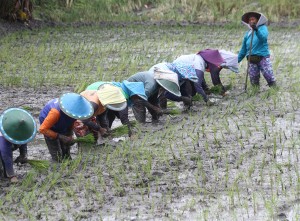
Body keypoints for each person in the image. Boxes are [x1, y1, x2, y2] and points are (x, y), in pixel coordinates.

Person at [39, 93, 94, 162]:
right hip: (49, 126)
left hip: (62, 123)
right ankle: (56, 162)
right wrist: (60, 136)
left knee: (66, 148)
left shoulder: (75, 113)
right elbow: (42, 129)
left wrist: (69, 134)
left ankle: (66, 158)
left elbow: (71, 122)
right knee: (57, 155)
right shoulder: (55, 112)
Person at [173, 49, 239, 104]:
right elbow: (198, 85)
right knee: (188, 93)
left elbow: (200, 78)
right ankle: (185, 103)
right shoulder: (199, 63)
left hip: (182, 71)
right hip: (177, 72)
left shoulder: (200, 60)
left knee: (192, 92)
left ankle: (187, 102)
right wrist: (207, 100)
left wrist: (205, 89)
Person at [238, 12, 276, 87]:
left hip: (262, 57)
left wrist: (256, 30)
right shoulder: (247, 33)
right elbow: (243, 50)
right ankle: (255, 92)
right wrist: (236, 61)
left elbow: (263, 38)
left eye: (253, 19)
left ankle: (274, 92)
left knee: (269, 76)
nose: (251, 21)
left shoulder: (263, 28)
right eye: (249, 20)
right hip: (251, 59)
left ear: (258, 20)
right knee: (253, 78)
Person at [0, 108, 37, 183]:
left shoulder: (23, 129)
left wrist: (23, 155)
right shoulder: (3, 134)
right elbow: (6, 155)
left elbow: (23, 139)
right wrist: (12, 175)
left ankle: (5, 173)